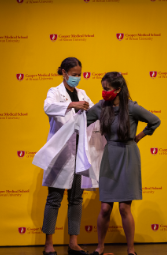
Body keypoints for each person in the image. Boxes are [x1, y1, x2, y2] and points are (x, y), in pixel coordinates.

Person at [86, 72, 161, 255]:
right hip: (110, 155)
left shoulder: (132, 108)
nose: (104, 92)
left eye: (107, 89)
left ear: (118, 90)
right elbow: (82, 121)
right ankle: (100, 247)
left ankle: (131, 249)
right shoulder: (102, 106)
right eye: (103, 88)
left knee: (124, 207)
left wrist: (139, 137)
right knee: (105, 207)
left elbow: (155, 121)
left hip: (128, 155)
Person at [42, 57, 94, 255]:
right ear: (64, 73)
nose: (77, 78)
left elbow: (93, 111)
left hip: (79, 151)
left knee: (76, 199)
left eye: (79, 75)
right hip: (60, 152)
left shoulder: (82, 93)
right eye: (74, 75)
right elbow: (48, 108)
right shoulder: (54, 93)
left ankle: (73, 242)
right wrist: (72, 105)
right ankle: (49, 244)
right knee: (54, 198)